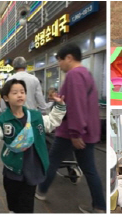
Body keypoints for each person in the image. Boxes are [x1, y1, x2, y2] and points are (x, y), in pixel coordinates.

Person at [0, 78, 65, 213]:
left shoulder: (35, 116)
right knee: (13, 203)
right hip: (12, 171)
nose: (20, 95)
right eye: (15, 92)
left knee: (26, 206)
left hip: (32, 169)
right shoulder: (3, 120)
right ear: (6, 98)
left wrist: (60, 106)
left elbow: (51, 122)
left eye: (22, 92)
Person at [35, 43, 105, 213]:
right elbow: (77, 101)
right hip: (85, 130)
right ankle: (100, 206)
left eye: (59, 61)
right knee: (89, 169)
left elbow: (76, 105)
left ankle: (42, 191)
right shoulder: (85, 74)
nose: (59, 65)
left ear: (68, 58)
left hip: (72, 131)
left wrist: (75, 132)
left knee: (52, 162)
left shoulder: (74, 75)